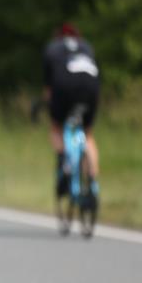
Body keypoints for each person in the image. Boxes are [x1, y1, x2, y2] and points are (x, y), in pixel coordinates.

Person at [43, 22, 100, 202]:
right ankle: (92, 183)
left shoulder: (52, 48)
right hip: (91, 85)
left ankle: (64, 163)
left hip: (64, 84)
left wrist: (46, 105)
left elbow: (49, 89)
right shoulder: (87, 46)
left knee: (56, 127)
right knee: (88, 134)